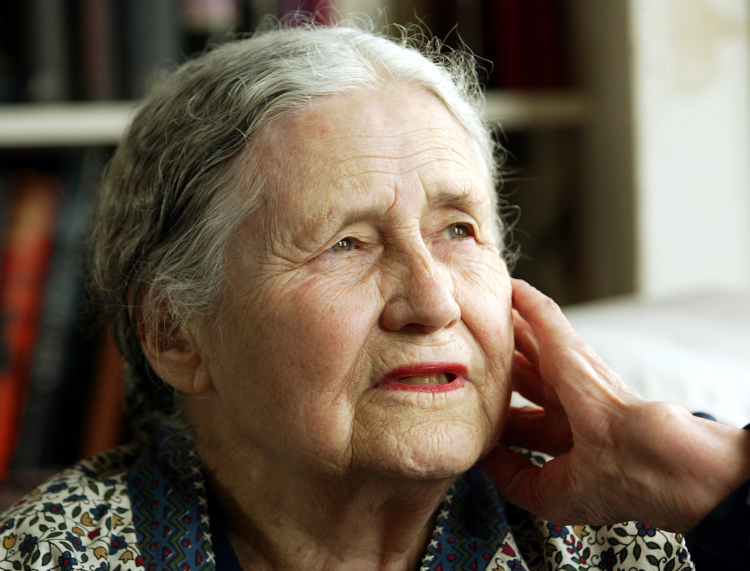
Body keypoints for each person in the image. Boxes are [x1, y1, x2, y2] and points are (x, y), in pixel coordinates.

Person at [0, 22, 731, 571]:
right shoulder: (54, 554)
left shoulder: (636, 524)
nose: (433, 301)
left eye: (458, 230)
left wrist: (711, 479)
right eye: (346, 243)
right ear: (174, 332)